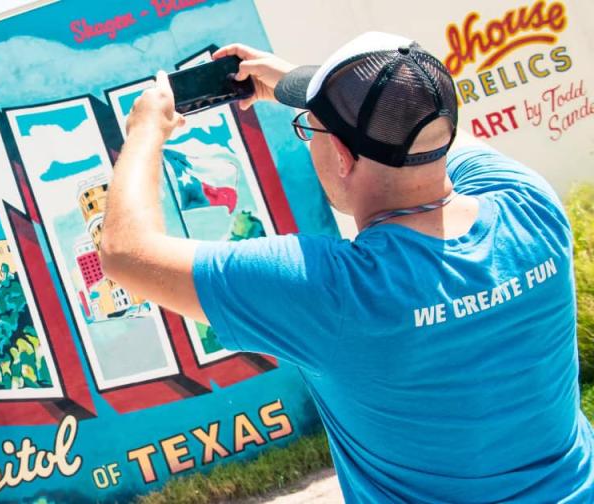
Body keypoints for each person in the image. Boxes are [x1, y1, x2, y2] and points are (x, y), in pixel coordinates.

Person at [99, 31, 594, 502]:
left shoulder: (334, 292)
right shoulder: (530, 205)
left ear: (340, 154)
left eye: (308, 128)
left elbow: (124, 251)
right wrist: (313, 88)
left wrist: (144, 132)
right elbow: (419, 128)